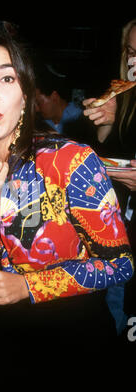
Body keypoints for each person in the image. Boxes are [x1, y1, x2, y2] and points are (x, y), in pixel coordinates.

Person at [0, 21, 134, 392]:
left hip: (73, 346)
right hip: (4, 344)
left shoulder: (71, 161)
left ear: (26, 93)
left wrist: (29, 286)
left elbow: (121, 264)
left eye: (7, 79)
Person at [83, 18, 136, 317]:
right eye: (130, 51)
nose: (134, 60)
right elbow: (107, 144)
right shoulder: (127, 93)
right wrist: (108, 118)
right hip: (122, 224)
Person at [34, 64, 97, 146]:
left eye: (39, 103)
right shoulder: (41, 124)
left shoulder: (81, 117)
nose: (36, 109)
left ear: (54, 97)